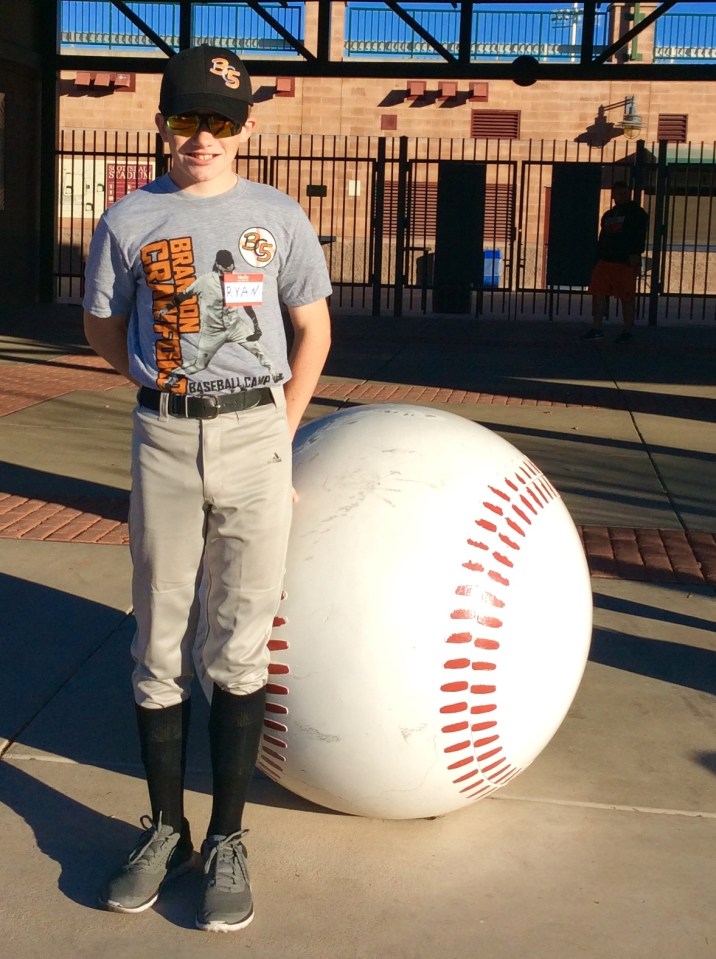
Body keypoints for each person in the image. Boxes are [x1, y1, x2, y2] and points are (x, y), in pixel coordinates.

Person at [82, 44, 332, 933]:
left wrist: (282, 430)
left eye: (219, 121)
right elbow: (103, 325)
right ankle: (165, 828)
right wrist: (156, 386)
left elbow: (312, 328)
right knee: (159, 636)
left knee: (240, 641)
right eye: (187, 118)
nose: (202, 136)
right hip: (165, 431)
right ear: (165, 124)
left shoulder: (277, 215)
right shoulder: (129, 217)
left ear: (245, 129)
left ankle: (227, 835)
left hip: (256, 429)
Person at [581, 180, 648, 342]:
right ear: (613, 195)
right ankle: (597, 328)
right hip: (605, 261)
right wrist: (597, 259)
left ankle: (628, 331)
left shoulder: (637, 213)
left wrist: (635, 256)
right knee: (598, 294)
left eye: (624, 192)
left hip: (625, 263)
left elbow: (639, 237)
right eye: (618, 193)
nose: (622, 195)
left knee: (627, 297)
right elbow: (602, 238)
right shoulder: (608, 215)